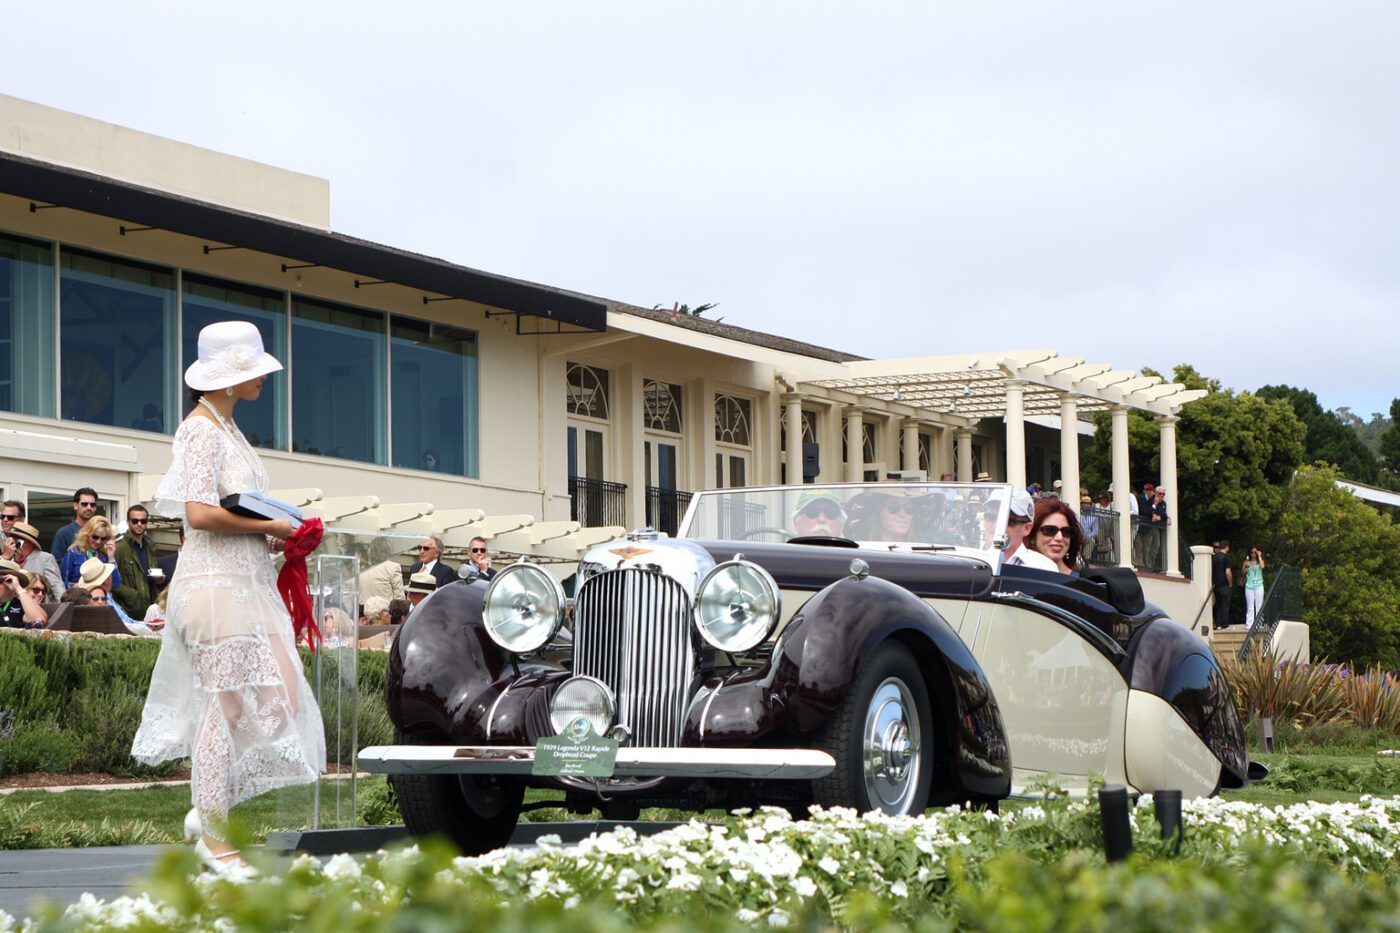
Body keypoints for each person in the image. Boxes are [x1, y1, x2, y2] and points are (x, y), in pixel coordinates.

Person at [132, 320, 325, 873]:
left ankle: (207, 806)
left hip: (246, 581)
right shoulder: (200, 431)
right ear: (227, 376)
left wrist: (278, 529)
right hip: (214, 584)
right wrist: (277, 528)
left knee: (278, 693)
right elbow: (197, 514)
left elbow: (233, 508)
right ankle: (215, 836)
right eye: (254, 370)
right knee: (227, 702)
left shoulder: (230, 428)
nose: (263, 379)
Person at [113, 505, 157, 619]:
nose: (139, 524)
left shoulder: (150, 547)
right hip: (127, 611)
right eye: (135, 521)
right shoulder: (119, 548)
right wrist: (132, 595)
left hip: (149, 609)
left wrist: (157, 579)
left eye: (143, 521)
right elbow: (111, 581)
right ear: (128, 522)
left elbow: (147, 577)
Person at [60, 516, 122, 590]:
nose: (98, 541)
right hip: (79, 597)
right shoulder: (73, 553)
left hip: (99, 598)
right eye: (95, 537)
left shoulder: (104, 555)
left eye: (103, 538)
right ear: (87, 534)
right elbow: (62, 583)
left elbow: (116, 584)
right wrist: (77, 586)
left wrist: (111, 558)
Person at [1002, 489, 1058, 571]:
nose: (996, 524)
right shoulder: (976, 558)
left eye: (1009, 521)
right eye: (991, 517)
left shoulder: (1042, 567)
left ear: (1027, 528)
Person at [8, 521, 65, 598]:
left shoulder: (45, 559)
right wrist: (8, 558)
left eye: (16, 539)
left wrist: (65, 607)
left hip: (36, 605)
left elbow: (57, 586)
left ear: (28, 541)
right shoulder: (7, 558)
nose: (12, 542)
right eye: (10, 537)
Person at [1029, 498, 1084, 575]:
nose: (1059, 538)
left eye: (1066, 531)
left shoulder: (1084, 583)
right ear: (1032, 537)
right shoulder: (1013, 578)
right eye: (1049, 530)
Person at [50, 488, 100, 560]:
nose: (89, 507)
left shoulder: (101, 533)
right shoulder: (64, 533)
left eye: (92, 505)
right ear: (76, 506)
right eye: (84, 504)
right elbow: (56, 564)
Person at [0, 559, 47, 628]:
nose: (40, 594)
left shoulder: (19, 606)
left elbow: (39, 619)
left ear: (11, 582)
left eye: (1, 580)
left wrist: (18, 588)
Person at [1211, 540, 1233, 630]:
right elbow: (1228, 572)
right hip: (1224, 584)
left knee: (1218, 605)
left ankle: (1218, 624)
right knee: (1225, 604)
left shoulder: (1213, 557)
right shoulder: (1226, 558)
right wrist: (1230, 583)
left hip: (1216, 584)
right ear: (1227, 547)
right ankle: (1225, 624)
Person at [1242, 546, 1265, 628]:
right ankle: (1249, 623)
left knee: (1259, 604)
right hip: (1249, 585)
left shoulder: (1260, 561)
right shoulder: (1246, 562)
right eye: (1252, 552)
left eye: (1255, 552)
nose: (1253, 554)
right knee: (1250, 605)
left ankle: (1259, 623)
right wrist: (1246, 567)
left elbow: (1262, 566)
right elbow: (1243, 573)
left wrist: (1259, 556)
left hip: (1258, 584)